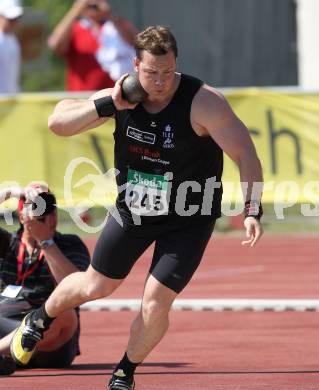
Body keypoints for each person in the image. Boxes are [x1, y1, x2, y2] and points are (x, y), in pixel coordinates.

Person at [11, 26, 264, 389]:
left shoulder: (203, 102)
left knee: (155, 302)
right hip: (134, 210)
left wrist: (252, 208)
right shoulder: (122, 95)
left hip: (188, 220)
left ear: (176, 64)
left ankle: (124, 371)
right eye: (150, 73)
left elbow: (245, 153)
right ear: (135, 66)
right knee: (96, 286)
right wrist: (108, 104)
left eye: (167, 71)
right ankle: (38, 319)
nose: (160, 82)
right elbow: (58, 123)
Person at [0, 184, 90, 375]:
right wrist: (9, 192)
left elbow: (76, 290)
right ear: (22, 216)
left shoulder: (69, 244)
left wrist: (46, 242)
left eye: (51, 211)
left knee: (65, 312)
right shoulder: (7, 243)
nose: (49, 218)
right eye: (39, 213)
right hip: (5, 323)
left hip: (48, 338)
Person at [47, 0, 137, 91]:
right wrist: (75, 10)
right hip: (83, 97)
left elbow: (137, 43)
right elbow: (55, 44)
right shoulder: (76, 28)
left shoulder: (117, 26)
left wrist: (110, 15)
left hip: (114, 95)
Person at [0, 0, 23, 94]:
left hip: (11, 100)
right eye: (10, 19)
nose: (14, 22)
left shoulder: (13, 40)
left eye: (16, 19)